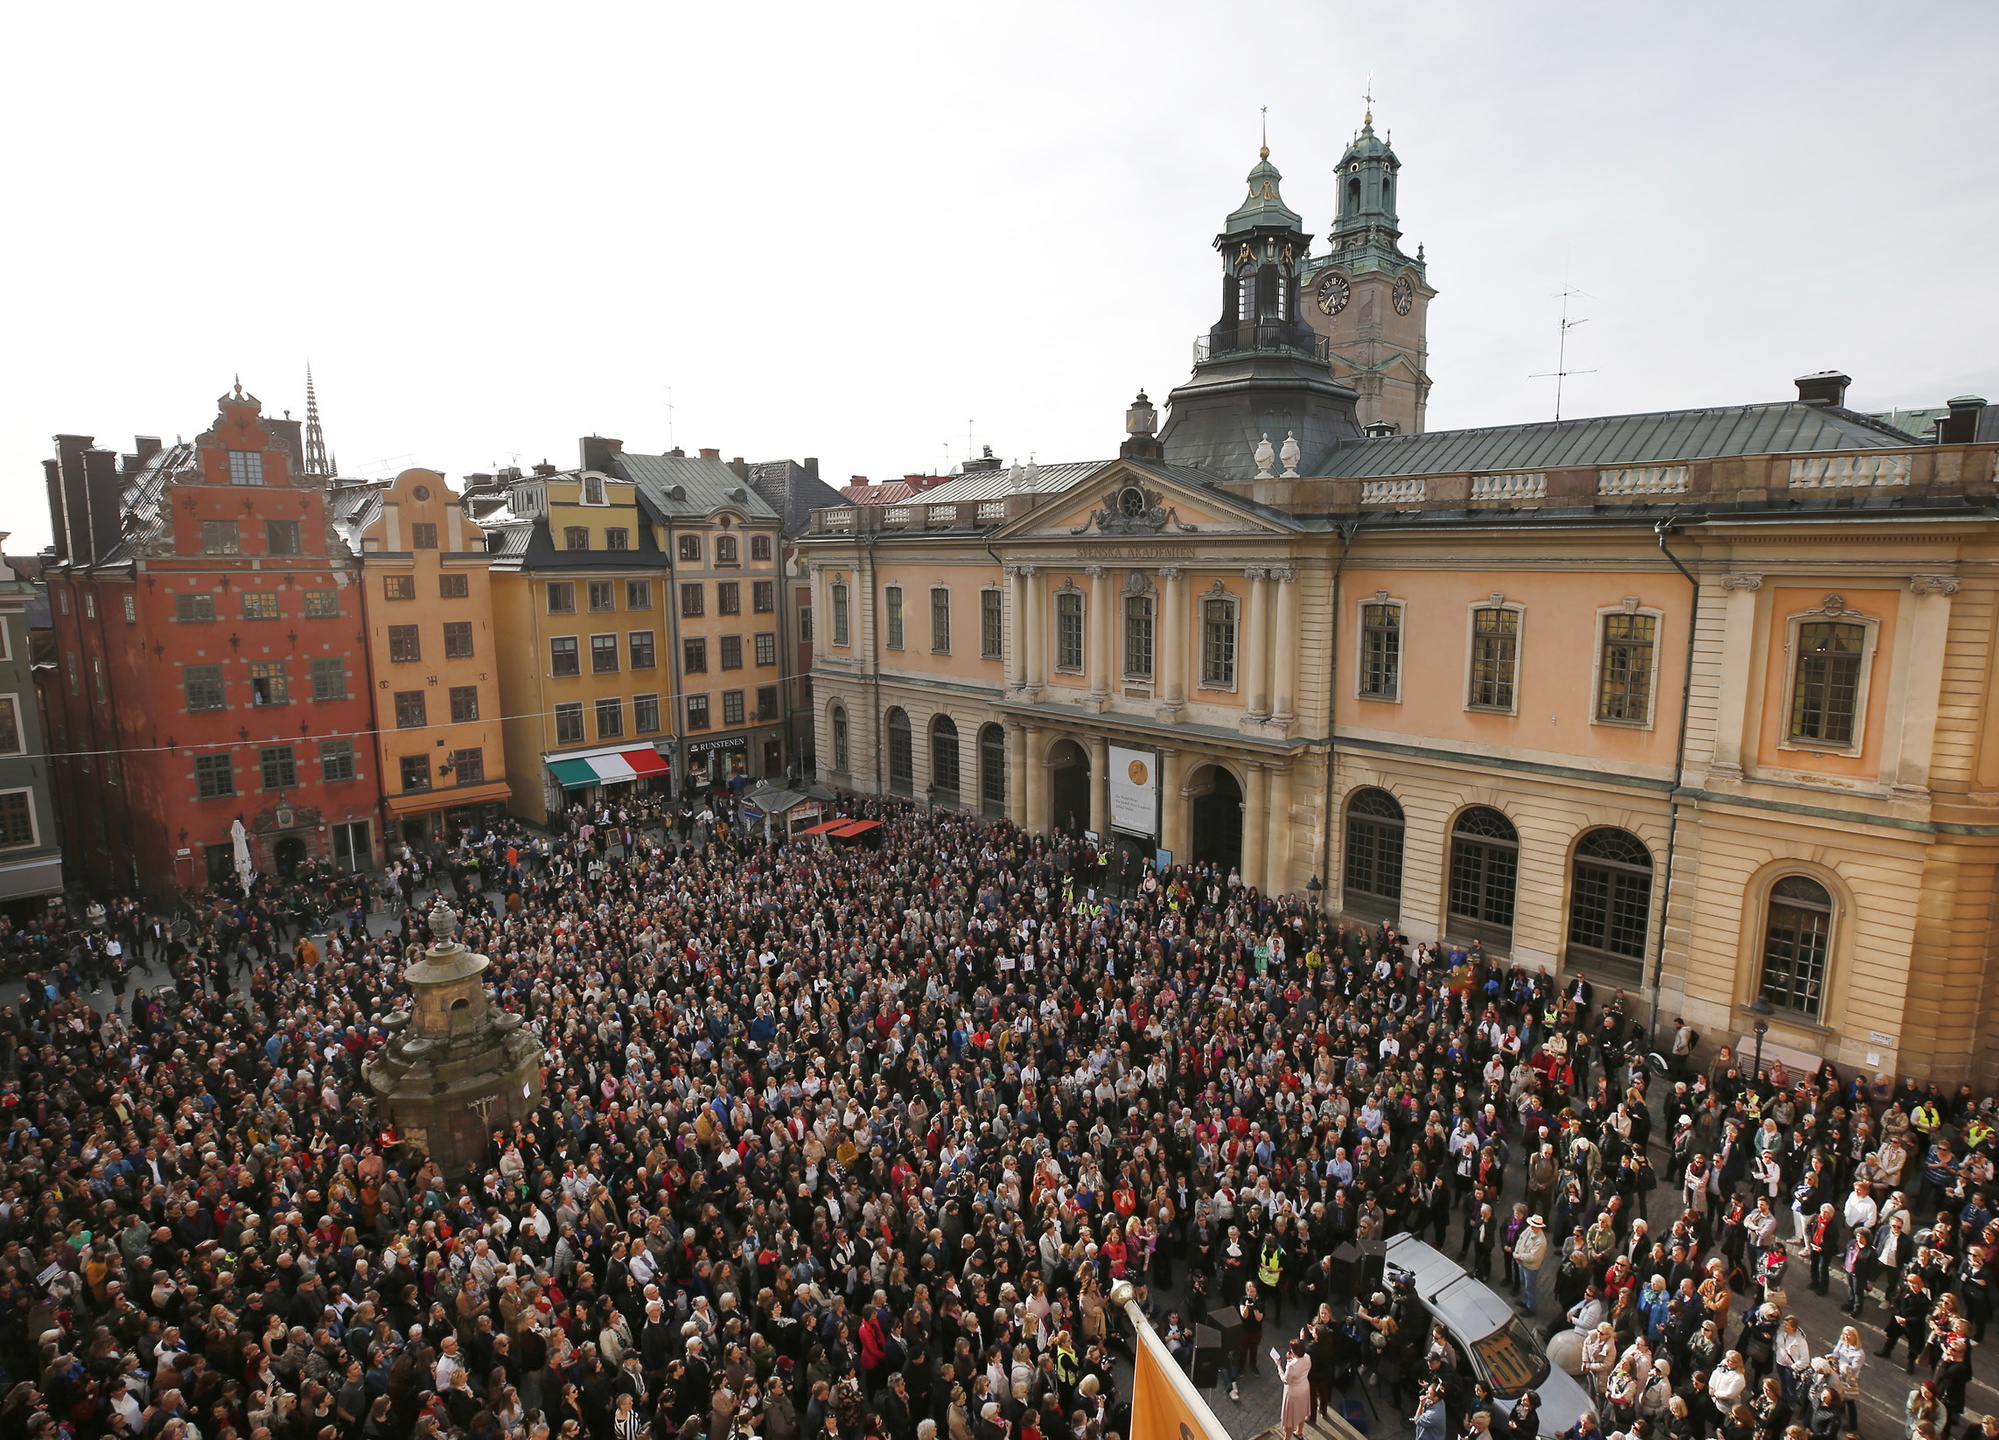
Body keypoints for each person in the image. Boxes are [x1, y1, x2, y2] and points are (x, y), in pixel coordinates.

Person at [1278, 1337, 1312, 1440]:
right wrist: (1290, 1359)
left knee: (1290, 1418)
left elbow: (1285, 1380)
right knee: (1301, 1412)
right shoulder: (1307, 1357)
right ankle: (1299, 1432)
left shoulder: (1291, 1366)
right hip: (1304, 1387)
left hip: (1293, 1393)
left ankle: (1287, 1438)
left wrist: (1279, 1366)